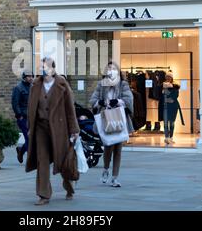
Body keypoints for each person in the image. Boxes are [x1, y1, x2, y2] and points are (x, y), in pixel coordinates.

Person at [25, 57, 80, 205]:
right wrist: (30, 127)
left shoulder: (62, 84)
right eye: (42, 67)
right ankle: (44, 195)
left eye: (46, 67)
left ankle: (69, 188)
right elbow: (31, 109)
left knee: (62, 160)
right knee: (42, 160)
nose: (44, 70)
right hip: (41, 128)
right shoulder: (36, 85)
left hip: (59, 128)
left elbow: (70, 109)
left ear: (53, 69)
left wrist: (74, 129)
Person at [90, 62, 133, 188]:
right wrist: (101, 102)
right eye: (109, 68)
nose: (111, 70)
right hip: (106, 119)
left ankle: (115, 177)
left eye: (114, 68)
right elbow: (93, 100)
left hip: (119, 118)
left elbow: (129, 99)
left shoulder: (123, 84)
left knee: (118, 149)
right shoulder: (101, 84)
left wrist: (118, 101)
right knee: (108, 146)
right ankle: (105, 169)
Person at [11, 71, 33, 163]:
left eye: (31, 76)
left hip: (32, 117)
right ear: (24, 78)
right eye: (28, 77)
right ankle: (31, 159)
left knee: (32, 137)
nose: (31, 78)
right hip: (23, 117)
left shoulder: (33, 87)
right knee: (29, 138)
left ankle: (21, 150)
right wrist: (19, 115)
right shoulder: (18, 88)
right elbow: (15, 103)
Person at [162, 72, 183, 145]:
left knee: (171, 123)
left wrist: (167, 98)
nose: (168, 78)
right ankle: (166, 138)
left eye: (169, 77)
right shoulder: (162, 86)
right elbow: (162, 96)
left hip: (173, 106)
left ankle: (171, 137)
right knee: (165, 123)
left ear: (172, 78)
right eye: (167, 77)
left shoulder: (175, 86)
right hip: (165, 107)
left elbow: (174, 96)